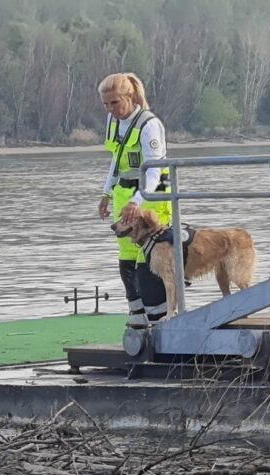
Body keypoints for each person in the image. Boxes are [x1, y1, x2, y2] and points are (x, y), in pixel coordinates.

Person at [97, 72, 173, 328]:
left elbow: (154, 167)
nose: (111, 109)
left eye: (115, 103)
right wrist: (106, 193)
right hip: (124, 193)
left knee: (150, 260)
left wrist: (139, 199)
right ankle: (138, 317)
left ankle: (161, 318)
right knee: (127, 259)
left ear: (129, 97)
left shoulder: (148, 124)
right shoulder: (113, 121)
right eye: (106, 104)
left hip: (150, 196)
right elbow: (116, 161)